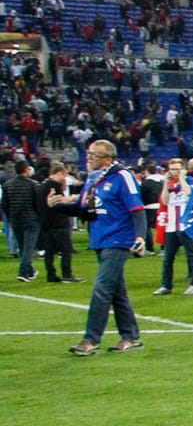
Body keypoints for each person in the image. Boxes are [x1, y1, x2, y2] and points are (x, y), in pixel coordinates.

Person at [48, 140, 143, 355]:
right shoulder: (93, 180)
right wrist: (59, 206)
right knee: (117, 291)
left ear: (108, 159)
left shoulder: (123, 177)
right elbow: (85, 211)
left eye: (94, 155)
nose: (89, 158)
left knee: (102, 288)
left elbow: (137, 208)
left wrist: (140, 236)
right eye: (89, 154)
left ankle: (91, 340)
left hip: (119, 240)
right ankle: (131, 336)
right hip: (101, 239)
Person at [153, 157, 193, 296]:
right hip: (171, 226)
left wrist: (182, 178)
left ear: (183, 169)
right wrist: (165, 184)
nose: (174, 172)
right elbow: (164, 200)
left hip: (186, 224)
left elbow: (189, 193)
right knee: (168, 257)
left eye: (177, 169)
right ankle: (166, 285)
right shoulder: (169, 183)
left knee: (192, 255)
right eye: (172, 169)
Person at [36, 162, 80, 283]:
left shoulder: (41, 185)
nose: (64, 178)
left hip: (45, 223)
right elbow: (61, 201)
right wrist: (74, 198)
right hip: (58, 222)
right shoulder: (53, 185)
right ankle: (67, 274)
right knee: (66, 249)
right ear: (59, 173)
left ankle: (51, 275)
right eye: (64, 175)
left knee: (49, 251)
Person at [2, 161, 40, 282]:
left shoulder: (8, 184)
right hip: (31, 219)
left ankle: (31, 271)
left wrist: (10, 216)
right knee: (29, 247)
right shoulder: (33, 184)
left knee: (23, 246)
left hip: (15, 219)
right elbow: (37, 203)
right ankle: (23, 272)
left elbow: (4, 204)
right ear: (26, 170)